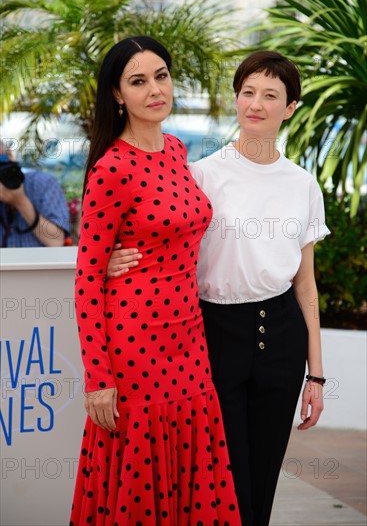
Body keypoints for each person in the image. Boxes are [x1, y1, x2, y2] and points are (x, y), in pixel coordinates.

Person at [107, 50, 330, 526]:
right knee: (222, 483)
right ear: (235, 100)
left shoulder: (303, 185)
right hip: (212, 335)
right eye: (247, 92)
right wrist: (110, 260)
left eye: (270, 95)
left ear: (290, 107)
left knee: (263, 479)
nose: (256, 103)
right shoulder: (202, 173)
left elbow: (305, 286)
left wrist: (316, 374)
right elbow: (158, 236)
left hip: (282, 338)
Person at [69, 36, 241, 526]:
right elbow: (85, 282)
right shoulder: (112, 169)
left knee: (192, 463)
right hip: (135, 345)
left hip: (188, 337)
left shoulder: (176, 148)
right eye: (138, 81)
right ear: (118, 95)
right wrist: (99, 379)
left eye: (161, 76)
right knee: (141, 471)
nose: (154, 90)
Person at [0, 139, 70, 247]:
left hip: (40, 262)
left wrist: (21, 202)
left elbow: (56, 241)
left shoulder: (43, 184)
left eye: (2, 162)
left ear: (11, 158)